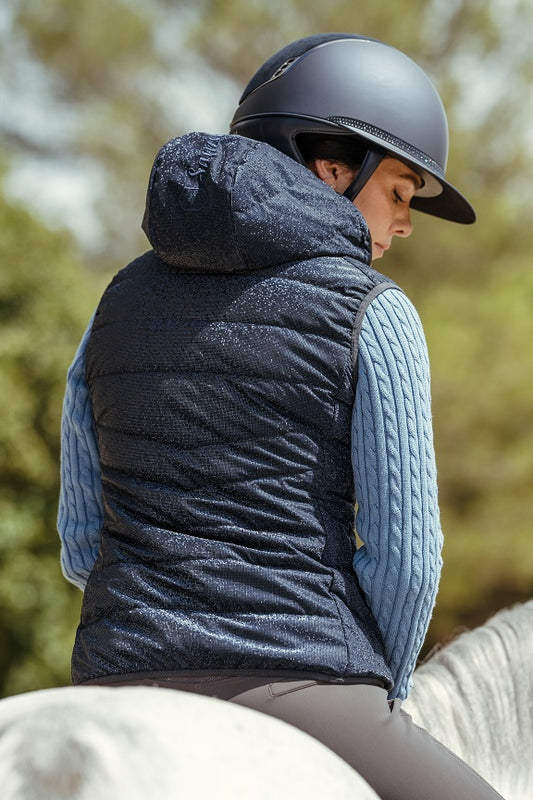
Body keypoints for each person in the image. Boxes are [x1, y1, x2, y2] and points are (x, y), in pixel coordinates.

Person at [58, 34, 504, 799]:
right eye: (399, 193)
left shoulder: (115, 302)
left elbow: (78, 542)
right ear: (333, 166)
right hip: (303, 682)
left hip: (115, 674)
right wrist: (380, 695)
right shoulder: (372, 309)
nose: (403, 225)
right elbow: (407, 557)